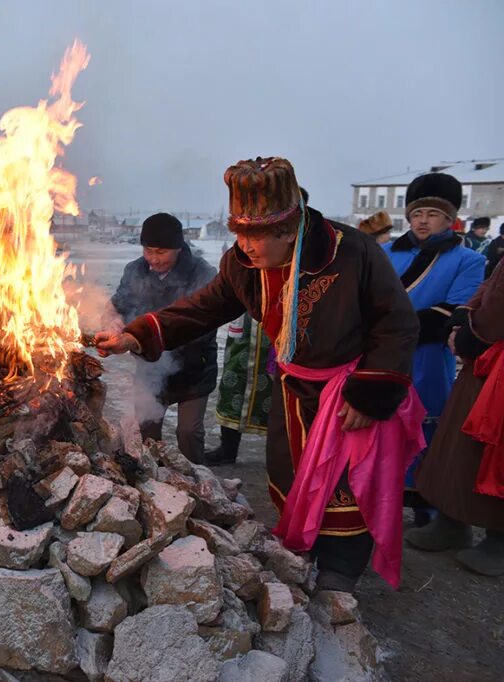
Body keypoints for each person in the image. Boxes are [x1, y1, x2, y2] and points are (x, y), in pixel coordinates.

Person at [96, 157, 422, 593]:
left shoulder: (354, 252)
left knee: (346, 482)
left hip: (350, 393)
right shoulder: (242, 265)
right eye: (239, 234)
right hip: (291, 390)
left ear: (290, 230)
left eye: (256, 236)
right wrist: (136, 336)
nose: (245, 246)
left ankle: (342, 568)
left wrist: (370, 394)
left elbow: (396, 323)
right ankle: (303, 547)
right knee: (290, 471)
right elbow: (201, 309)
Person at [382, 173, 484, 525]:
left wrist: (387, 326)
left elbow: (452, 312)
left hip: (426, 359)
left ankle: (425, 505)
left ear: (449, 218)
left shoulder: (467, 260)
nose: (423, 220)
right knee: (380, 426)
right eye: (417, 213)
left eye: (432, 213)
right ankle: (377, 499)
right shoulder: (384, 253)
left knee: (424, 431)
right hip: (380, 356)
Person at [408, 258, 504, 575]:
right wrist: (463, 321)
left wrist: (474, 333)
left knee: (495, 453)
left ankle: (499, 539)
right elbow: (490, 288)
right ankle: (451, 521)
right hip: (484, 365)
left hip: (496, 363)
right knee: (460, 446)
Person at [110, 213, 218, 462]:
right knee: (146, 428)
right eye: (148, 250)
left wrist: (150, 337)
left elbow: (202, 323)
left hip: (194, 368)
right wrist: (115, 320)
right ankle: (154, 479)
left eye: (161, 252)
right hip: (149, 366)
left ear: (178, 248)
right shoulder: (135, 269)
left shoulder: (202, 273)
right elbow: (119, 304)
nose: (153, 259)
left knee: (188, 432)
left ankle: (198, 482)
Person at [205, 311, 273, 466]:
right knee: (233, 384)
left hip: (276, 323)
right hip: (244, 325)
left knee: (276, 394)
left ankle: (278, 454)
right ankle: (228, 450)